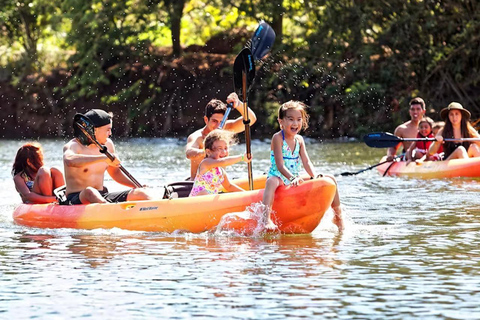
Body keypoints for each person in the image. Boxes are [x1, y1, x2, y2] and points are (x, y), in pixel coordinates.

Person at [262, 101, 343, 231]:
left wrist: (314, 176)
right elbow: (280, 165)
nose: (295, 123)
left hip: (295, 175)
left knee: (331, 178)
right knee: (270, 182)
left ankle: (338, 217)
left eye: (299, 119)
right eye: (290, 119)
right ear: (281, 121)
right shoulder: (277, 138)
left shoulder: (299, 139)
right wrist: (292, 178)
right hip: (279, 175)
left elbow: (306, 161)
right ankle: (266, 219)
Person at [63, 109, 153, 204]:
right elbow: (69, 160)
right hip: (76, 198)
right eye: (108, 130)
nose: (110, 134)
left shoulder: (108, 145)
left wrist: (136, 186)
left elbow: (115, 173)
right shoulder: (73, 146)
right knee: (90, 191)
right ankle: (109, 210)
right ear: (95, 129)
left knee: (141, 193)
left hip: (101, 195)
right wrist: (103, 158)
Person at [186, 92, 257, 180]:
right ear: (206, 119)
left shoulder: (226, 128)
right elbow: (189, 153)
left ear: (225, 120)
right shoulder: (198, 137)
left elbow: (251, 119)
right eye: (214, 121)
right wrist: (208, 152)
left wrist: (238, 104)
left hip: (219, 184)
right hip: (198, 185)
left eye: (221, 121)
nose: (218, 126)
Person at [189, 130, 251, 197]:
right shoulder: (206, 163)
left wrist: (247, 194)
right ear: (208, 152)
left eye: (225, 148)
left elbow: (229, 186)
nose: (224, 152)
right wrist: (242, 157)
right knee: (204, 193)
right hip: (196, 201)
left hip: (210, 202)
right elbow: (223, 162)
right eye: (220, 148)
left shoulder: (221, 171)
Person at [386, 97, 427, 161]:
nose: (415, 112)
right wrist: (390, 155)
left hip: (427, 159)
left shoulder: (432, 127)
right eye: (412, 109)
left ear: (423, 111)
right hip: (409, 159)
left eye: (418, 109)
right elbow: (393, 147)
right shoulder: (401, 129)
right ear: (409, 112)